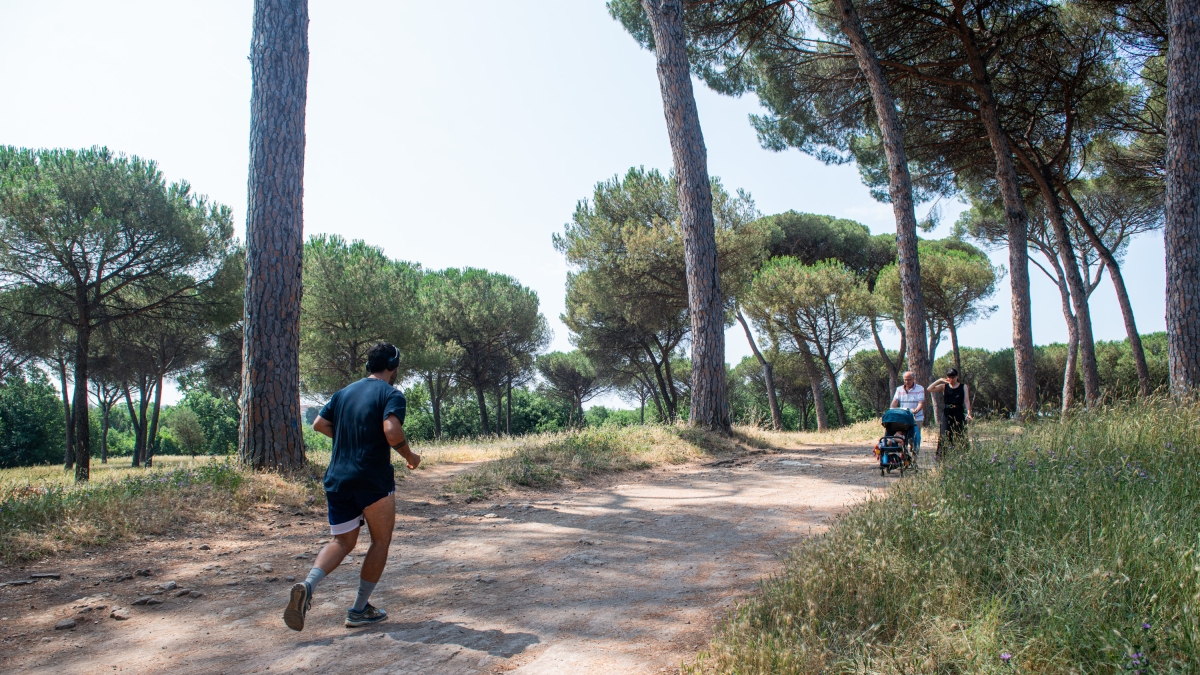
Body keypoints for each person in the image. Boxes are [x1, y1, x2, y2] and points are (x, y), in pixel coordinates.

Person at [283, 342, 421, 631]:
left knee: (342, 542)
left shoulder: (343, 393)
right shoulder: (391, 394)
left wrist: (349, 438)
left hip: (337, 479)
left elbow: (319, 424)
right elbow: (392, 431)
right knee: (380, 541)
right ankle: (359, 609)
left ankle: (308, 585)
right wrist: (410, 456)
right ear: (393, 366)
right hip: (371, 479)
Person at [928, 367, 972, 458]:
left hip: (958, 411)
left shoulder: (964, 386)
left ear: (957, 376)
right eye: (949, 377)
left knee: (960, 433)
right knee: (944, 433)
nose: (951, 379)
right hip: (947, 412)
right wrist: (939, 380)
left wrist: (969, 413)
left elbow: (966, 401)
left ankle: (962, 455)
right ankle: (942, 456)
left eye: (953, 377)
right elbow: (929, 389)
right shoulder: (944, 386)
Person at [890, 370, 926, 453]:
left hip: (916, 417)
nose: (907, 381)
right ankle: (904, 454)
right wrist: (892, 409)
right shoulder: (899, 389)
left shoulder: (920, 389)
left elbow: (921, 402)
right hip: (904, 417)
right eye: (905, 379)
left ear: (913, 379)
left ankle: (914, 456)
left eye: (909, 379)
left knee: (916, 437)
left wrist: (916, 410)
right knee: (903, 435)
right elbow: (895, 400)